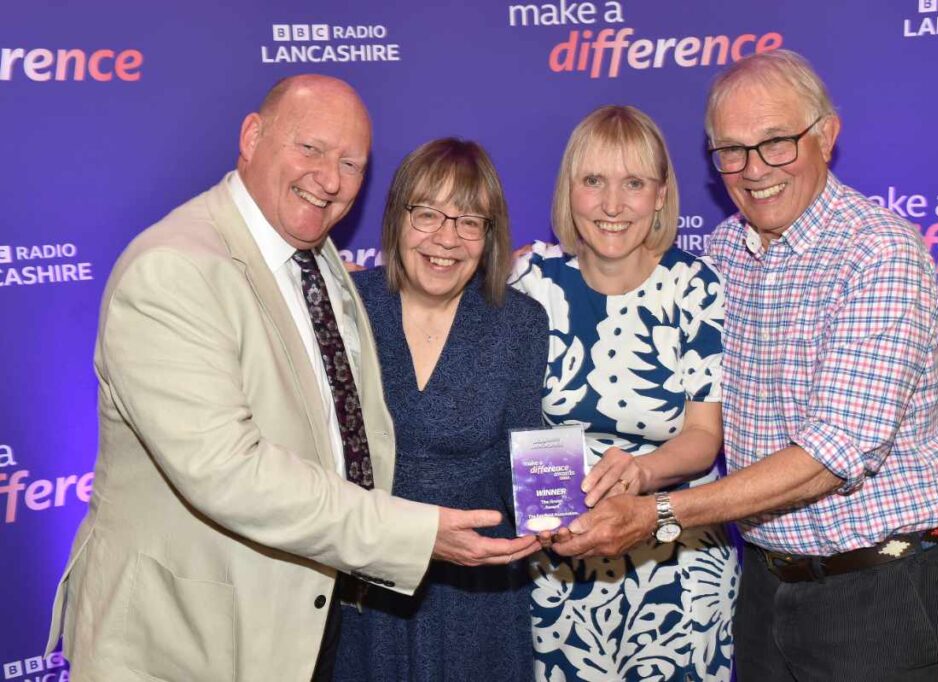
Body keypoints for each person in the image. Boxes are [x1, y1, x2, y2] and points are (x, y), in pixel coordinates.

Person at [44, 75, 539, 682]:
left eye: (351, 162)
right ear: (252, 137)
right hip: (189, 635)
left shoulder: (317, 259)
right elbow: (229, 472)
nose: (329, 178)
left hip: (302, 613)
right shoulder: (175, 270)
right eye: (310, 148)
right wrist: (412, 534)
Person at [551, 50, 938, 681]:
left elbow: (838, 450)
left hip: (876, 583)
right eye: (731, 151)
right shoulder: (722, 252)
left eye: (775, 143)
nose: (753, 170)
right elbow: (627, 273)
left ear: (826, 136)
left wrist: (660, 513)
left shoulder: (878, 251)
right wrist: (532, 263)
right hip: (766, 581)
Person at [511, 105, 738, 682]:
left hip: (676, 562)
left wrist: (640, 473)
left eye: (634, 183)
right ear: (569, 190)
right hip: (558, 567)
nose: (613, 205)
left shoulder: (695, 286)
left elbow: (702, 437)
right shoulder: (528, 281)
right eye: (594, 182)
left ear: (661, 196)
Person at [330, 137, 547, 681]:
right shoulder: (347, 310)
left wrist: (566, 510)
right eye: (427, 214)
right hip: (369, 580)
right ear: (397, 218)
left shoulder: (518, 321)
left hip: (477, 586)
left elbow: (523, 455)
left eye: (469, 221)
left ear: (488, 237)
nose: (446, 239)